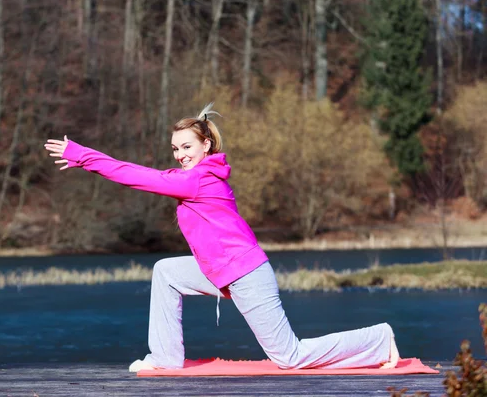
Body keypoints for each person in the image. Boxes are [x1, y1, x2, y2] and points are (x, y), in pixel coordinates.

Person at [44, 103, 400, 372]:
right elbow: (145, 175)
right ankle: (166, 358)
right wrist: (85, 162)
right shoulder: (198, 177)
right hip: (221, 271)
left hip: (246, 273)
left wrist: (84, 156)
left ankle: (379, 339)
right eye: (175, 149)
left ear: (206, 145)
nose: (181, 155)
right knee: (166, 272)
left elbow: (136, 176)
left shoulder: (199, 179)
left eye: (187, 147)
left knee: (288, 357)